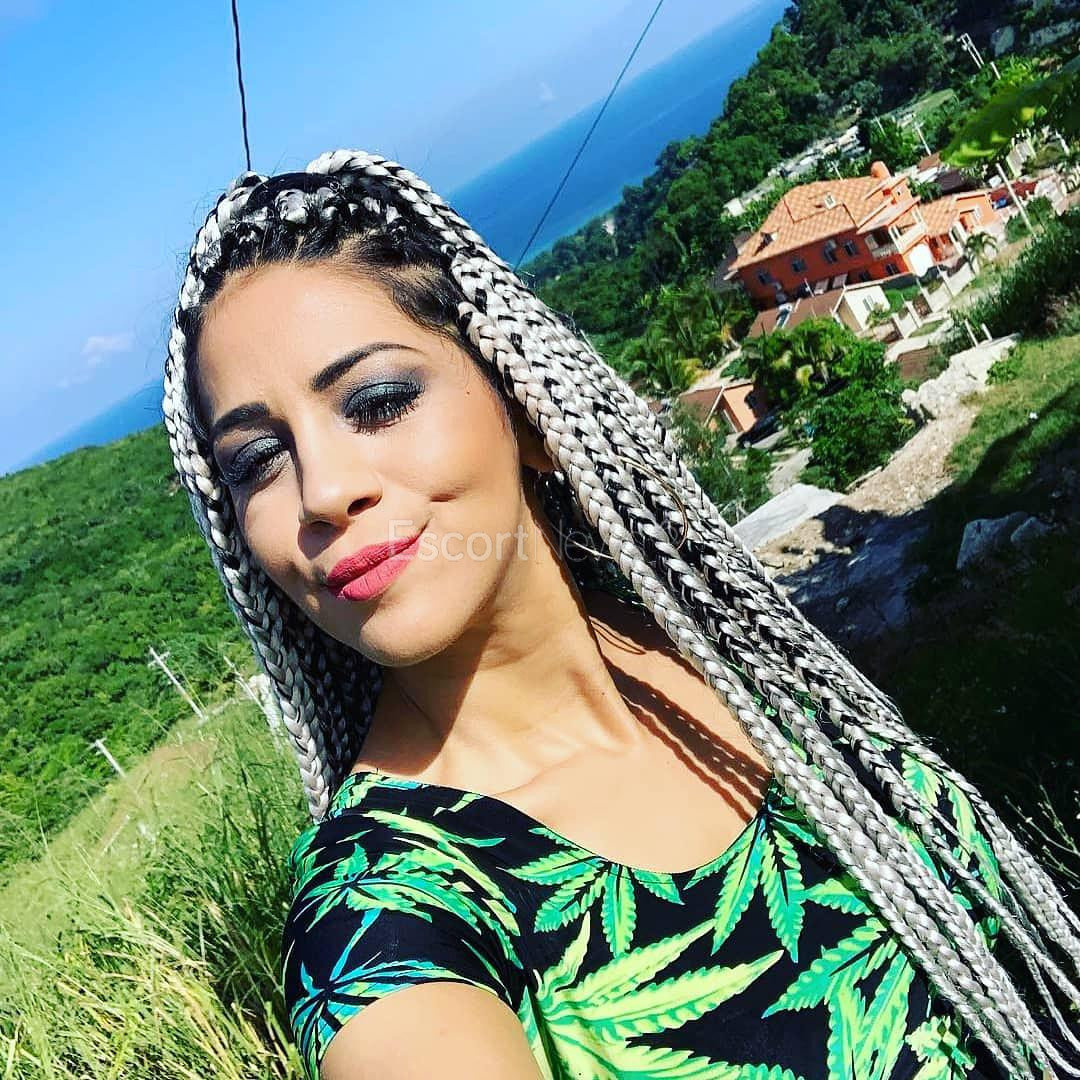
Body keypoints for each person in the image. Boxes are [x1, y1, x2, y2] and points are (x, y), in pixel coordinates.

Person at [162, 149, 1080, 1080]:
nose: (322, 491)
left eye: (378, 400)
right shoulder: (380, 918)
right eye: (257, 462)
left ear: (522, 406)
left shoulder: (711, 635)